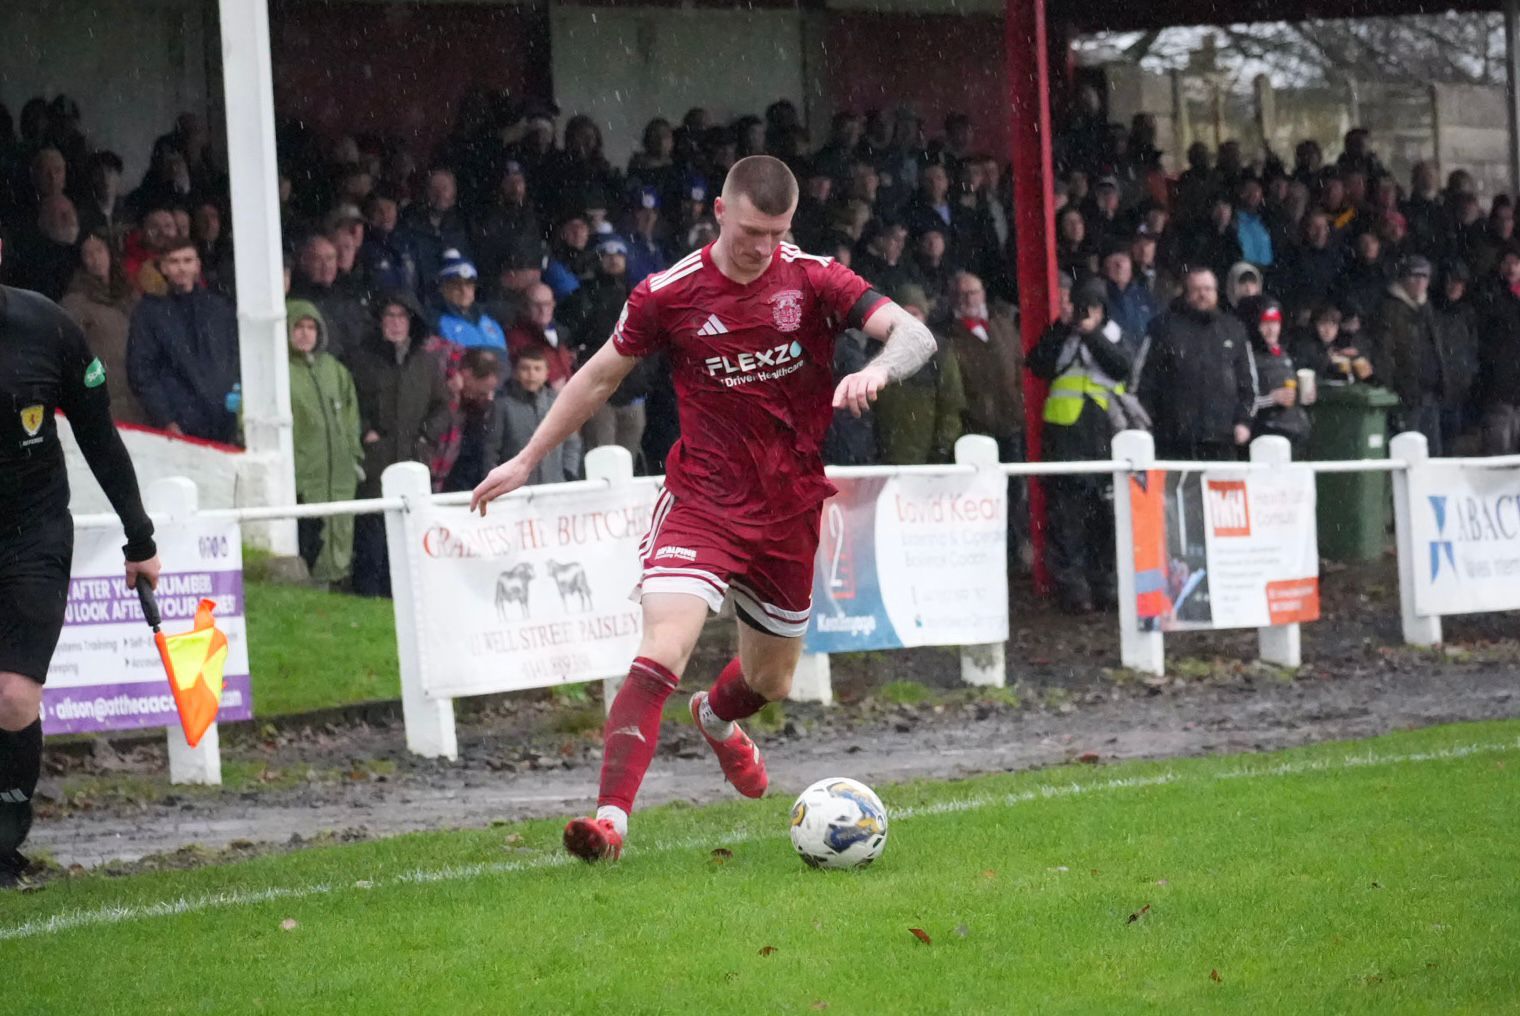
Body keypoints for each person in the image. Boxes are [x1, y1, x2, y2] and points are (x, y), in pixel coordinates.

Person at [468, 155, 936, 862]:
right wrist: (526, 458)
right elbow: (598, 378)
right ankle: (610, 823)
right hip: (703, 502)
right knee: (663, 646)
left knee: (771, 680)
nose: (763, 247)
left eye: (777, 233)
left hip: (788, 509)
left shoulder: (814, 279)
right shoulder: (669, 293)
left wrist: (875, 369)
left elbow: (915, 335)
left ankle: (715, 717)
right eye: (751, 231)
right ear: (720, 212)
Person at [0, 254, 162, 888]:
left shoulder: (48, 327)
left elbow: (99, 435)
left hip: (32, 535)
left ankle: (4, 849)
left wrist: (139, 536)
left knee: (14, 696)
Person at [1027, 275, 1135, 613]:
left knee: (1104, 517)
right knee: (1067, 518)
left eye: (1093, 307)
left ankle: (1105, 585)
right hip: (1065, 439)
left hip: (1104, 436)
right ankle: (1074, 588)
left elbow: (1122, 367)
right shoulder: (1061, 334)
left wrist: (1091, 334)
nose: (1087, 313)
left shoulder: (1114, 335)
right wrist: (1065, 327)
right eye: (1082, 306)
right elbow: (1037, 363)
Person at [348, 292, 453, 597]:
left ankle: (404, 594)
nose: (395, 323)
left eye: (401, 317)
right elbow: (349, 402)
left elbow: (443, 407)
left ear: (411, 322)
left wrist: (425, 437)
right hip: (376, 458)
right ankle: (368, 594)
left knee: (410, 528)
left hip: (413, 459)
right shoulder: (362, 360)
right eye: (389, 316)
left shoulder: (426, 362)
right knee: (373, 531)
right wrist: (366, 433)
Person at [126, 237, 241, 443]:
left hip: (224, 420)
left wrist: (236, 409)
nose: (181, 268)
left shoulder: (219, 308)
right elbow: (141, 371)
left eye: (187, 261)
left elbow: (235, 360)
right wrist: (165, 419)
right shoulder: (148, 313)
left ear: (198, 265)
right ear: (163, 267)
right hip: (181, 425)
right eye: (174, 261)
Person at [1139, 266, 1255, 461]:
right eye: (1197, 289)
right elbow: (1143, 381)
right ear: (1186, 292)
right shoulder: (1163, 328)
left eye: (1208, 289)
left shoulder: (1234, 329)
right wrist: (1151, 423)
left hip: (1223, 439)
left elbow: (1248, 383)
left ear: (1216, 292)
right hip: (1174, 441)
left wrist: (1244, 422)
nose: (1203, 295)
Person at [286, 300, 364, 586]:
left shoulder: (335, 370)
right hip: (304, 478)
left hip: (339, 476)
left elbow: (352, 419)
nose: (305, 333)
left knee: (340, 535)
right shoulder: (279, 372)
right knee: (309, 542)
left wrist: (353, 456)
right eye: (298, 327)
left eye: (311, 327)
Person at [560, 236, 655, 461]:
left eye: (619, 254)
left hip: (633, 392)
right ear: (598, 259)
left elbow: (654, 342)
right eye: (607, 255)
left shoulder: (640, 294)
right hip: (600, 393)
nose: (614, 260)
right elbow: (573, 339)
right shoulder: (583, 295)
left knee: (628, 462)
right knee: (600, 460)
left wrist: (644, 378)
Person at [871, 283, 966, 465]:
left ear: (924, 316)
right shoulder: (876, 351)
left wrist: (939, 451)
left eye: (914, 314)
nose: (909, 321)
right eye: (904, 314)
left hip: (926, 462)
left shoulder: (940, 352)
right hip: (883, 460)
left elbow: (951, 408)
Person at [60, 228, 145, 425]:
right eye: (88, 254)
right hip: (105, 396)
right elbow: (68, 352)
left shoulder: (130, 295)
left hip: (137, 395)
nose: (95, 259)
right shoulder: (76, 302)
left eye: (99, 250)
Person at [1369, 256, 1446, 454]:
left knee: (1433, 452)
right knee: (1408, 451)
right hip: (1407, 395)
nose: (1420, 281)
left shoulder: (1427, 307)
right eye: (1415, 276)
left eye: (1425, 277)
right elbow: (1384, 353)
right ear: (1403, 278)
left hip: (1430, 394)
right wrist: (1395, 387)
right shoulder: (1390, 309)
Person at [492, 347, 582, 483]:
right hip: (516, 486)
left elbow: (572, 442)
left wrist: (568, 473)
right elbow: (492, 449)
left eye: (537, 369)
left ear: (546, 373)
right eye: (525, 368)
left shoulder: (558, 404)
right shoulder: (503, 406)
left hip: (554, 483)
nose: (531, 374)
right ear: (515, 373)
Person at [1240, 296, 1312, 457]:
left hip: (1296, 433)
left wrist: (1305, 394)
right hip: (1266, 434)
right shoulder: (1247, 357)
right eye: (1265, 323)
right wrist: (1271, 399)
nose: (1271, 329)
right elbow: (1239, 403)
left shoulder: (1284, 354)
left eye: (1275, 323)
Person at [442, 348, 505, 493]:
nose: (487, 398)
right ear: (467, 375)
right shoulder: (443, 399)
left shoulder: (483, 408)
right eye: (482, 393)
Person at [1477, 250, 1520, 455]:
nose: (1512, 268)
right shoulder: (1490, 294)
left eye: (1516, 263)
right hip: (1499, 385)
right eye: (1507, 263)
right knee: (1499, 444)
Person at [432, 250, 507, 351]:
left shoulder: (490, 322)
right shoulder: (435, 323)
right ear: (443, 288)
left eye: (469, 284)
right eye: (456, 284)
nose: (464, 290)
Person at [506, 282, 576, 388]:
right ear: (525, 306)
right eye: (536, 305)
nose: (543, 310)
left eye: (547, 304)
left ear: (553, 305)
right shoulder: (515, 338)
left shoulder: (558, 334)